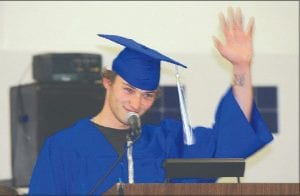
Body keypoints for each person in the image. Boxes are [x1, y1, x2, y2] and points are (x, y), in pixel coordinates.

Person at [29, 7, 273, 195]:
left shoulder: (167, 142)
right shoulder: (63, 148)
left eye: (147, 95)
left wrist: (241, 67)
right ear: (107, 82)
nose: (136, 103)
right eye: (128, 90)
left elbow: (229, 142)